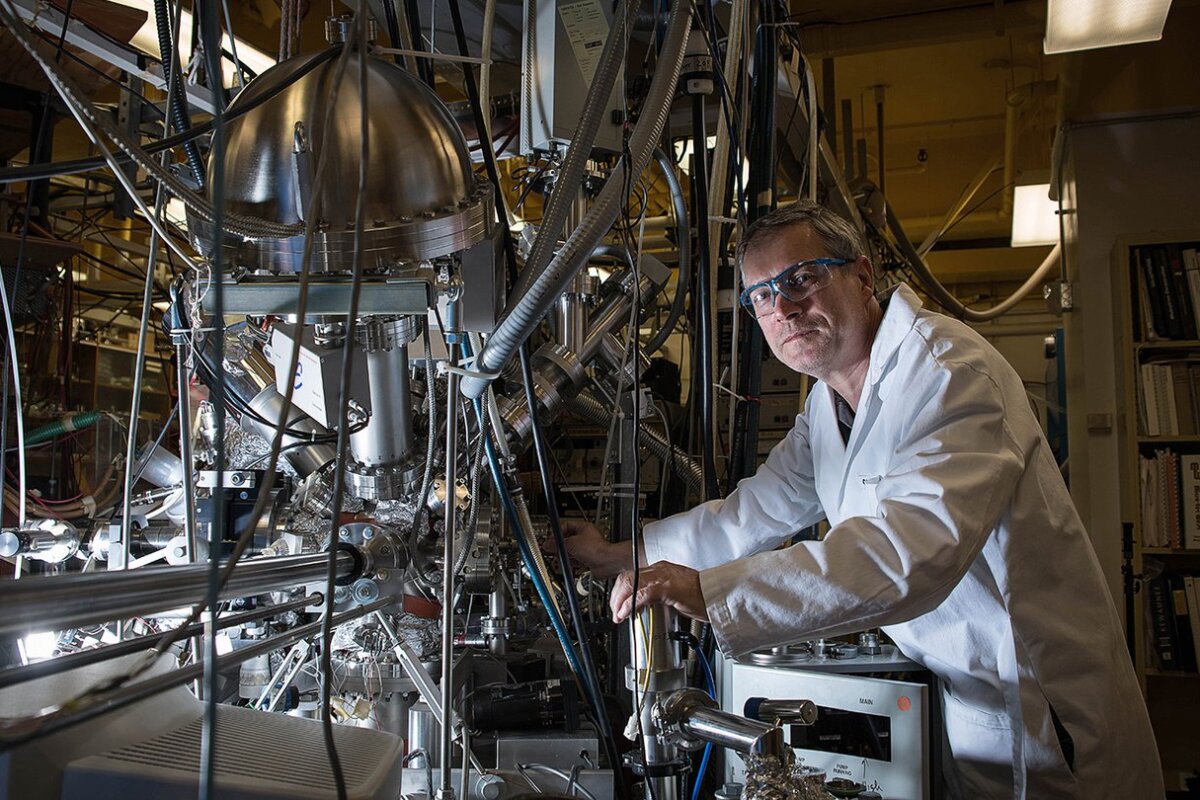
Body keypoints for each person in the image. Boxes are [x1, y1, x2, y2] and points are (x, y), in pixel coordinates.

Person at [560, 201, 1162, 798]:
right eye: (762, 295)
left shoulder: (949, 371)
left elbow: (906, 553)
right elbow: (752, 513)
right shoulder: (827, 406)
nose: (784, 307)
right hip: (967, 706)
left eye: (801, 278)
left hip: (1043, 713)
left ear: (864, 275)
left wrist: (709, 592)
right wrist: (620, 556)